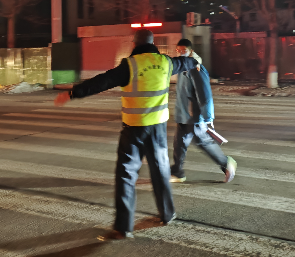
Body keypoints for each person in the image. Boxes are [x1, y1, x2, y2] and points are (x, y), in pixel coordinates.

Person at [54, 29, 199, 239]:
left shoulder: (130, 65)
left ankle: (123, 228)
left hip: (134, 129)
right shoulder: (166, 62)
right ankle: (167, 214)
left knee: (126, 175)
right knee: (160, 172)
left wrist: (72, 93)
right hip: (157, 129)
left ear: (134, 44)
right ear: (153, 43)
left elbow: (102, 81)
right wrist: (195, 62)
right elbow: (186, 62)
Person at [169, 39, 237, 183]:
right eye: (178, 50)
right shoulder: (183, 67)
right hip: (183, 114)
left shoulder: (196, 68)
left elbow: (205, 94)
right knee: (179, 144)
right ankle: (177, 172)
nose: (181, 53)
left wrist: (208, 117)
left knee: (203, 142)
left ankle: (226, 163)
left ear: (191, 51)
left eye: (184, 50)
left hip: (193, 116)